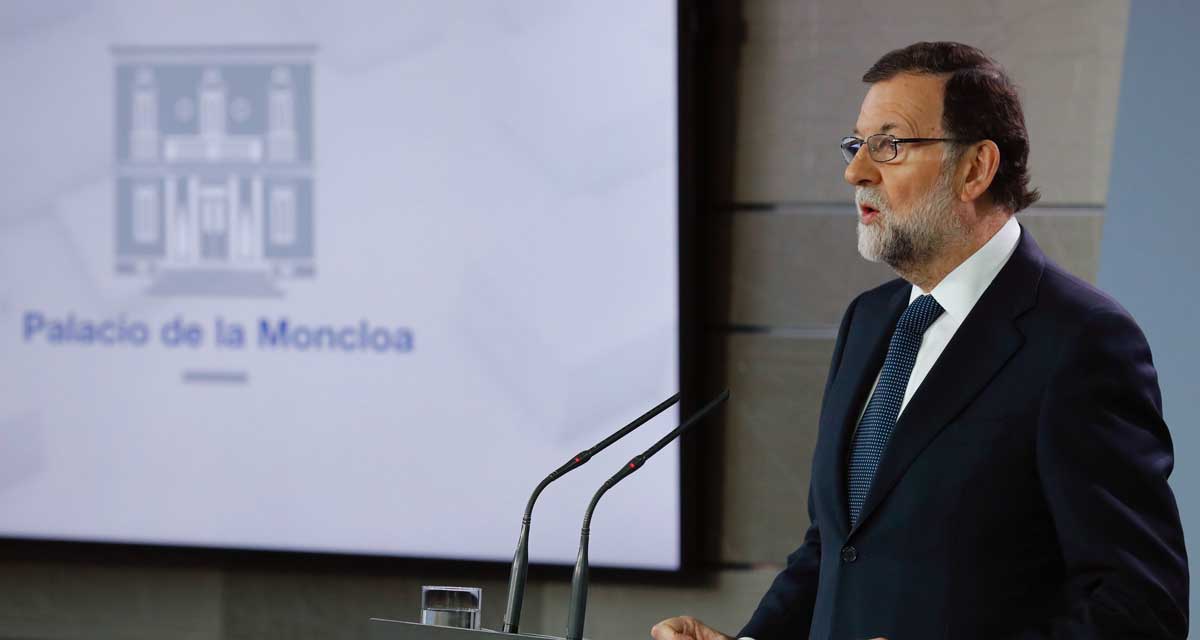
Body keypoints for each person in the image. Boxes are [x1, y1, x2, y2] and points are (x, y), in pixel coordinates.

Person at [652, 42, 1188, 639]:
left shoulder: (1080, 340)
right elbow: (834, 551)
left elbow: (1139, 604)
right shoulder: (869, 320)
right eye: (857, 145)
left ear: (975, 169)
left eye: (890, 144)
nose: (856, 171)